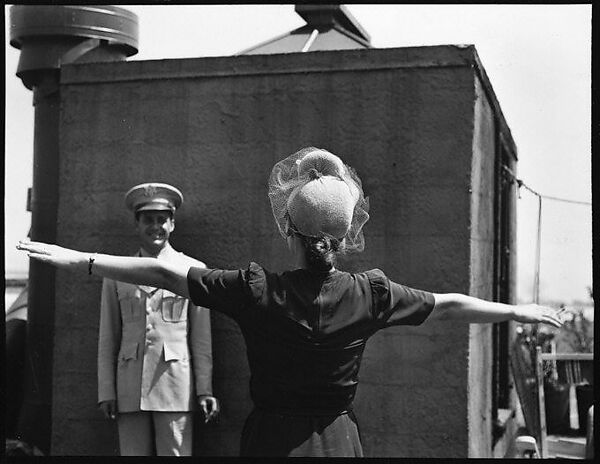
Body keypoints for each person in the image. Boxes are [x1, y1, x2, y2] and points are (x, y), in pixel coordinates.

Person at [17, 147, 565, 457]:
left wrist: (78, 259)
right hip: (338, 438)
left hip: (272, 441)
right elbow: (448, 305)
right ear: (346, 234)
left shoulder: (259, 292)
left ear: (292, 232)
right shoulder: (370, 295)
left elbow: (164, 270)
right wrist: (516, 311)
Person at [96, 182, 219, 456]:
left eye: (162, 220)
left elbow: (201, 339)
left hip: (174, 386)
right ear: (136, 225)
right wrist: (107, 391)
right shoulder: (116, 272)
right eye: (148, 220)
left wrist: (204, 390)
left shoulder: (193, 270)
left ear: (172, 224)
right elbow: (108, 337)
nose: (156, 227)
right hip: (129, 388)